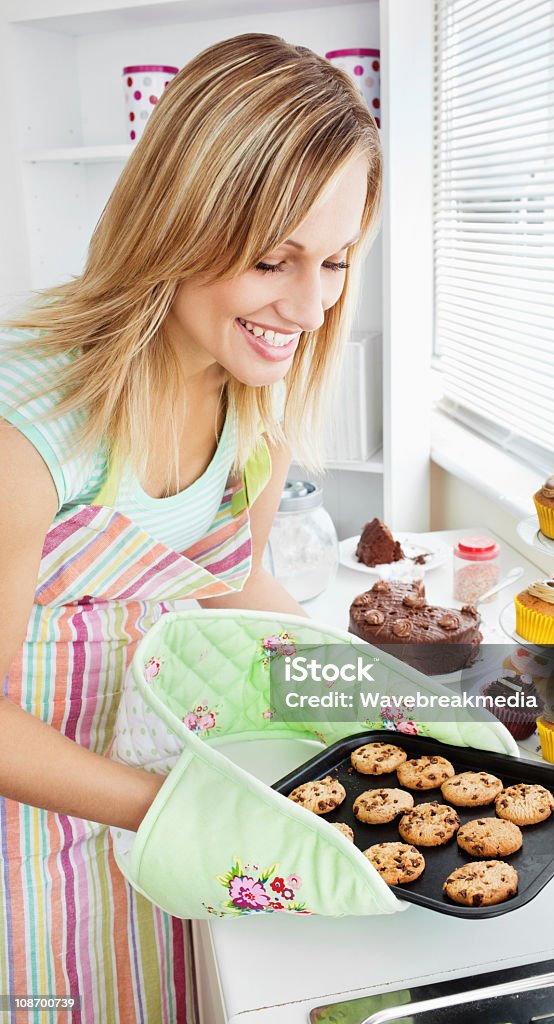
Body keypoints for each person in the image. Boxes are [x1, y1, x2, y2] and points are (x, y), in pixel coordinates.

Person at [0, 33, 381, 1023]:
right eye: (272, 259)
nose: (308, 304)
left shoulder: (251, 407)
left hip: (152, 825)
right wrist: (187, 810)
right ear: (177, 222)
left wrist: (367, 695)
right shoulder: (28, 431)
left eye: (335, 260)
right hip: (25, 848)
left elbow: (228, 580)